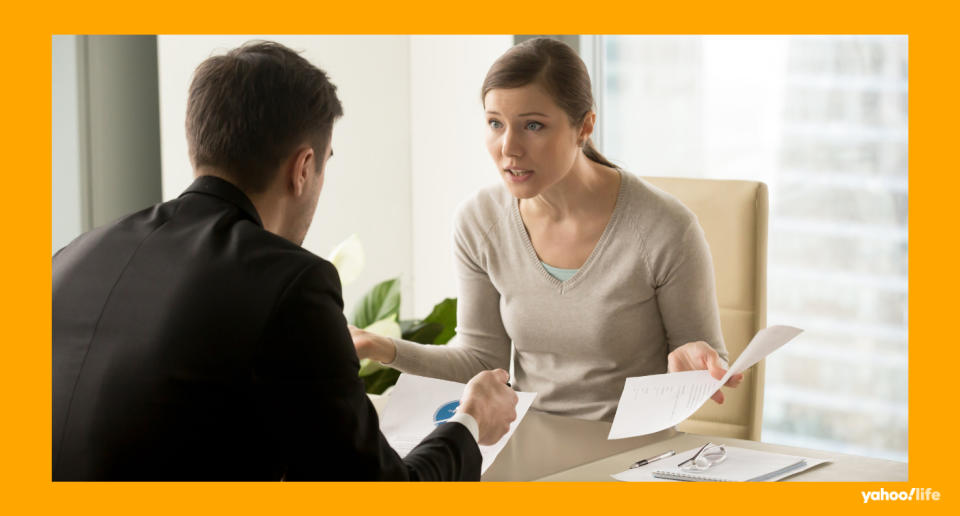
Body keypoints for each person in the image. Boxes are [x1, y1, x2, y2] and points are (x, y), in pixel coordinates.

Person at [52, 41, 517, 481]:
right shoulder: (290, 281)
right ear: (302, 169)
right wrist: (470, 423)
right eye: (324, 165)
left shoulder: (71, 256)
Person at [351, 37, 742, 422]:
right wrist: (381, 348)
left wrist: (692, 372)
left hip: (631, 456)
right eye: (494, 124)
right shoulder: (479, 222)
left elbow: (704, 360)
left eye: (533, 125)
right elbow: (481, 360)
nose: (509, 148)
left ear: (584, 126)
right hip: (526, 443)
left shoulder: (665, 229)